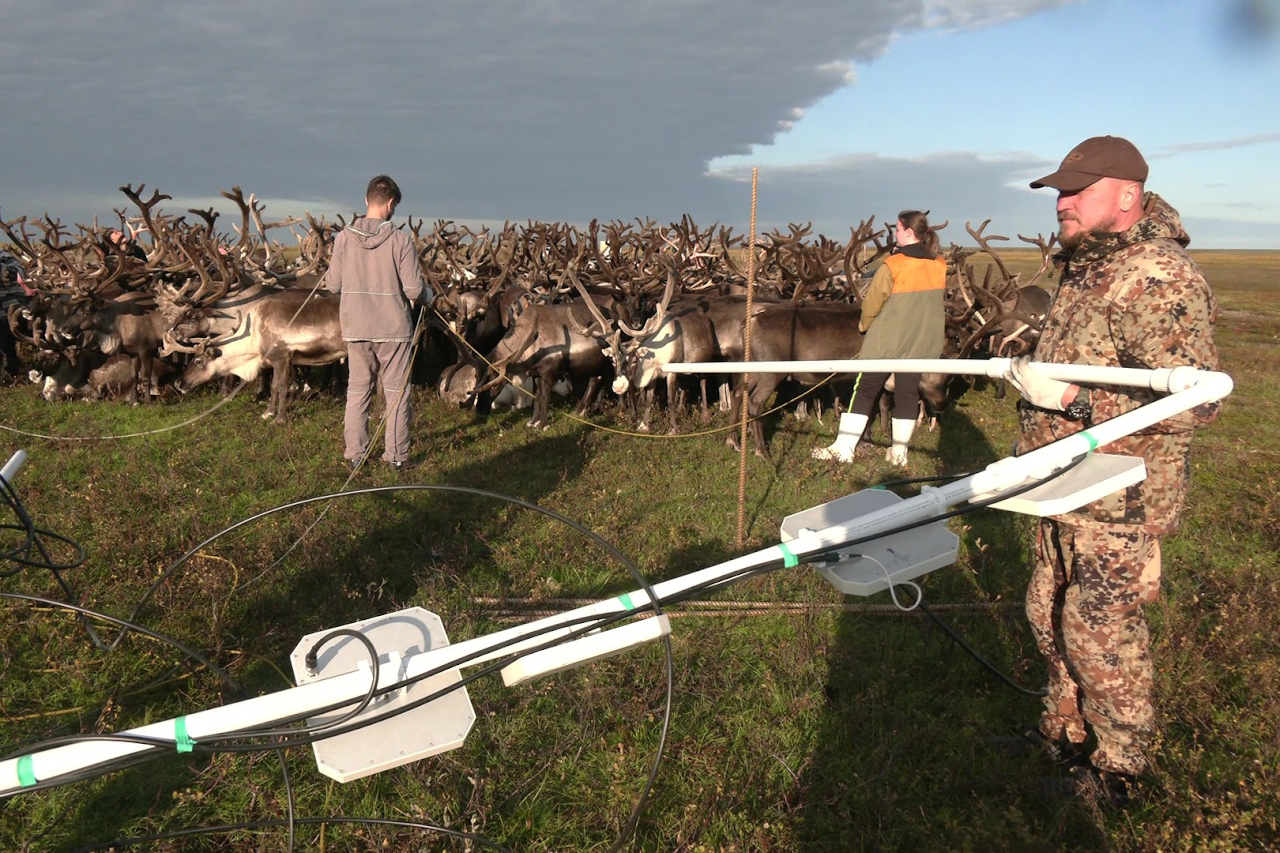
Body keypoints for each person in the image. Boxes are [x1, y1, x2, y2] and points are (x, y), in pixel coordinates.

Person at [1004, 135, 1221, 803]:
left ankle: (1122, 766)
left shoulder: (1157, 277)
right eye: (1059, 192)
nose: (1062, 203)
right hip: (1060, 483)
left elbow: (1198, 400)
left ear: (1127, 195)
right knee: (1046, 610)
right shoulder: (1088, 266)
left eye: (1077, 190)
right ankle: (1065, 731)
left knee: (1097, 629)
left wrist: (1071, 398)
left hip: (1120, 496)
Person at [813, 209, 946, 465]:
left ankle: (843, 449)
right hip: (921, 342)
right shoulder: (939, 264)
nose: (895, 233)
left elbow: (873, 302)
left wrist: (864, 325)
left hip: (887, 341)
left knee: (864, 389)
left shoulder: (894, 264)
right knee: (907, 393)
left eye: (898, 229)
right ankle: (899, 454)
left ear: (909, 232)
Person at [322, 175, 433, 471]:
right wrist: (430, 296)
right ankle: (396, 457)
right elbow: (413, 290)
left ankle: (355, 455)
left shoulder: (343, 238)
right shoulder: (400, 240)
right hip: (393, 330)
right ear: (392, 203)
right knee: (396, 395)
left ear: (366, 200)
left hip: (356, 327)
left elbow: (332, 285)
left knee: (358, 391)